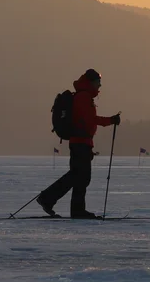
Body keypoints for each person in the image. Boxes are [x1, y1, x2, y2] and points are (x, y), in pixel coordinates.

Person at [38, 69, 120, 219]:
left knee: (80, 177)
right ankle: (49, 199)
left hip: (82, 142)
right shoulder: (83, 97)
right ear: (91, 82)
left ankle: (73, 208)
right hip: (80, 143)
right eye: (98, 82)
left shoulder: (84, 96)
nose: (100, 86)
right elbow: (90, 120)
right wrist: (111, 120)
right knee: (78, 176)